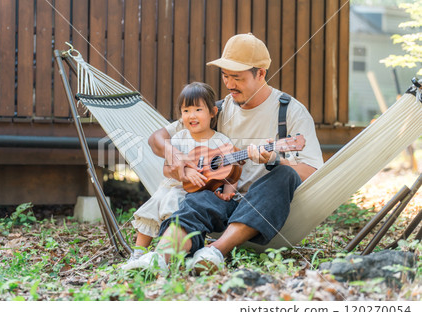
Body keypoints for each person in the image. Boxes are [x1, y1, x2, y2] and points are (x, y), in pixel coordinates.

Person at [134, 33, 324, 275]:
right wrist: (176, 155)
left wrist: (275, 159)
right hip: (218, 198)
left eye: (237, 77)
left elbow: (311, 170)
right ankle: (159, 258)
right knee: (195, 199)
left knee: (284, 175)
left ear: (261, 73)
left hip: (262, 207)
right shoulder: (217, 110)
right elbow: (157, 138)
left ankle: (215, 251)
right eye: (225, 76)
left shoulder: (290, 111)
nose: (229, 84)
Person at [122, 82, 238, 269]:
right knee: (151, 209)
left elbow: (232, 171)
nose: (191, 115)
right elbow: (167, 170)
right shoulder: (179, 138)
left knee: (174, 208)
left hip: (192, 195)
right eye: (186, 111)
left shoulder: (221, 142)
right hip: (171, 186)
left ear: (212, 112)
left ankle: (166, 256)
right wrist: (185, 172)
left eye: (198, 109)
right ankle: (137, 254)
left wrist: (228, 192)